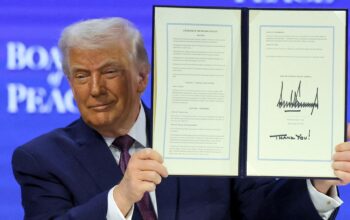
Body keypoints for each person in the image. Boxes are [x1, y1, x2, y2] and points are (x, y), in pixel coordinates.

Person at [12, 17, 350, 220]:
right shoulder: (41, 159)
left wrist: (318, 181)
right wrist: (121, 198)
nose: (95, 88)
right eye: (81, 76)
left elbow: (265, 213)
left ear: (142, 77)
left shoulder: (211, 134)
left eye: (110, 72)